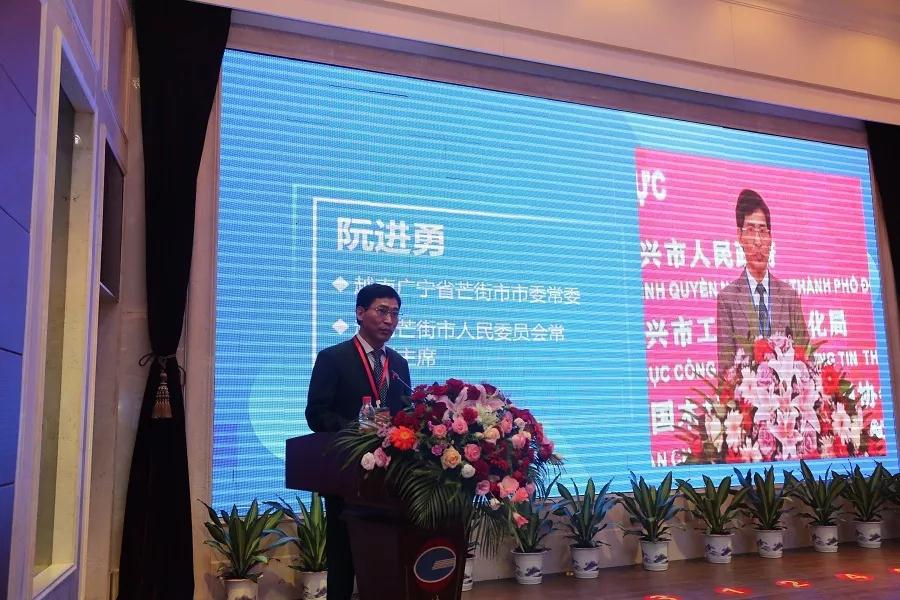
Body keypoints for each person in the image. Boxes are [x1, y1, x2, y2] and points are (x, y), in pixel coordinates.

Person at [305, 283, 412, 600]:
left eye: (395, 313)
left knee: (387, 558)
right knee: (343, 558)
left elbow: (406, 414)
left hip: (391, 478)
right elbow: (316, 413)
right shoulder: (333, 358)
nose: (389, 320)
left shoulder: (399, 364)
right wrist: (359, 429)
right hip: (346, 475)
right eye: (382, 311)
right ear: (360, 312)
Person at [716, 189, 809, 371]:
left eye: (763, 231)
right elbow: (726, 372)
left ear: (770, 237)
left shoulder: (789, 297)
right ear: (740, 236)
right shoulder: (727, 300)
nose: (758, 241)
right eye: (750, 230)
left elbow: (807, 358)